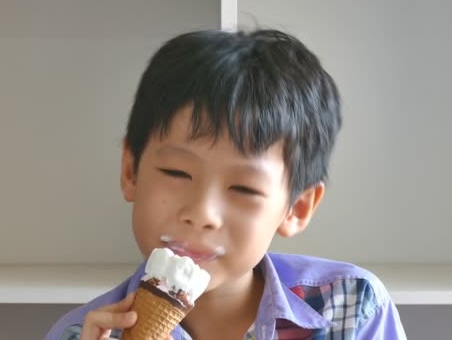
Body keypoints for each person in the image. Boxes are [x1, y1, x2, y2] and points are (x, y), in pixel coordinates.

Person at [45, 29, 406, 340]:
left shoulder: (352, 305)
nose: (202, 213)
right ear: (130, 171)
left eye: (244, 189)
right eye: (176, 173)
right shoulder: (80, 334)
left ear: (297, 208)